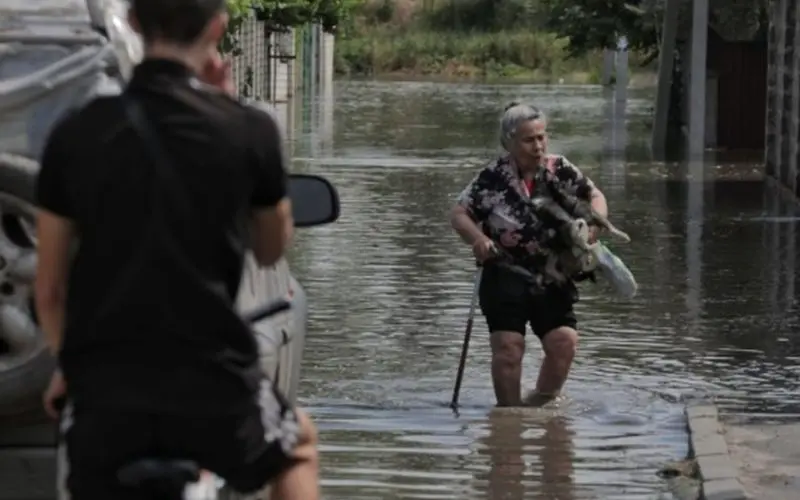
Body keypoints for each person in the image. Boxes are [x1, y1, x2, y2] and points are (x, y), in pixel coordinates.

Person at [34, 1, 319, 499]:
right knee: (298, 446)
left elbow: (51, 290)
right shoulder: (247, 130)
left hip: (108, 393)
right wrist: (231, 106)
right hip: (213, 389)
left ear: (137, 24)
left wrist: (70, 368)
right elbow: (272, 248)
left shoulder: (76, 133)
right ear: (217, 28)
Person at [450, 103, 609, 407]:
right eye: (528, 140)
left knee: (564, 342)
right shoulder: (492, 177)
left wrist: (592, 228)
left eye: (541, 137)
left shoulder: (559, 169)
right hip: (503, 271)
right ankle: (509, 419)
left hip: (553, 271)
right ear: (509, 141)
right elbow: (459, 214)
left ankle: (541, 405)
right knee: (509, 348)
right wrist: (478, 239)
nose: (538, 146)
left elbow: (595, 196)